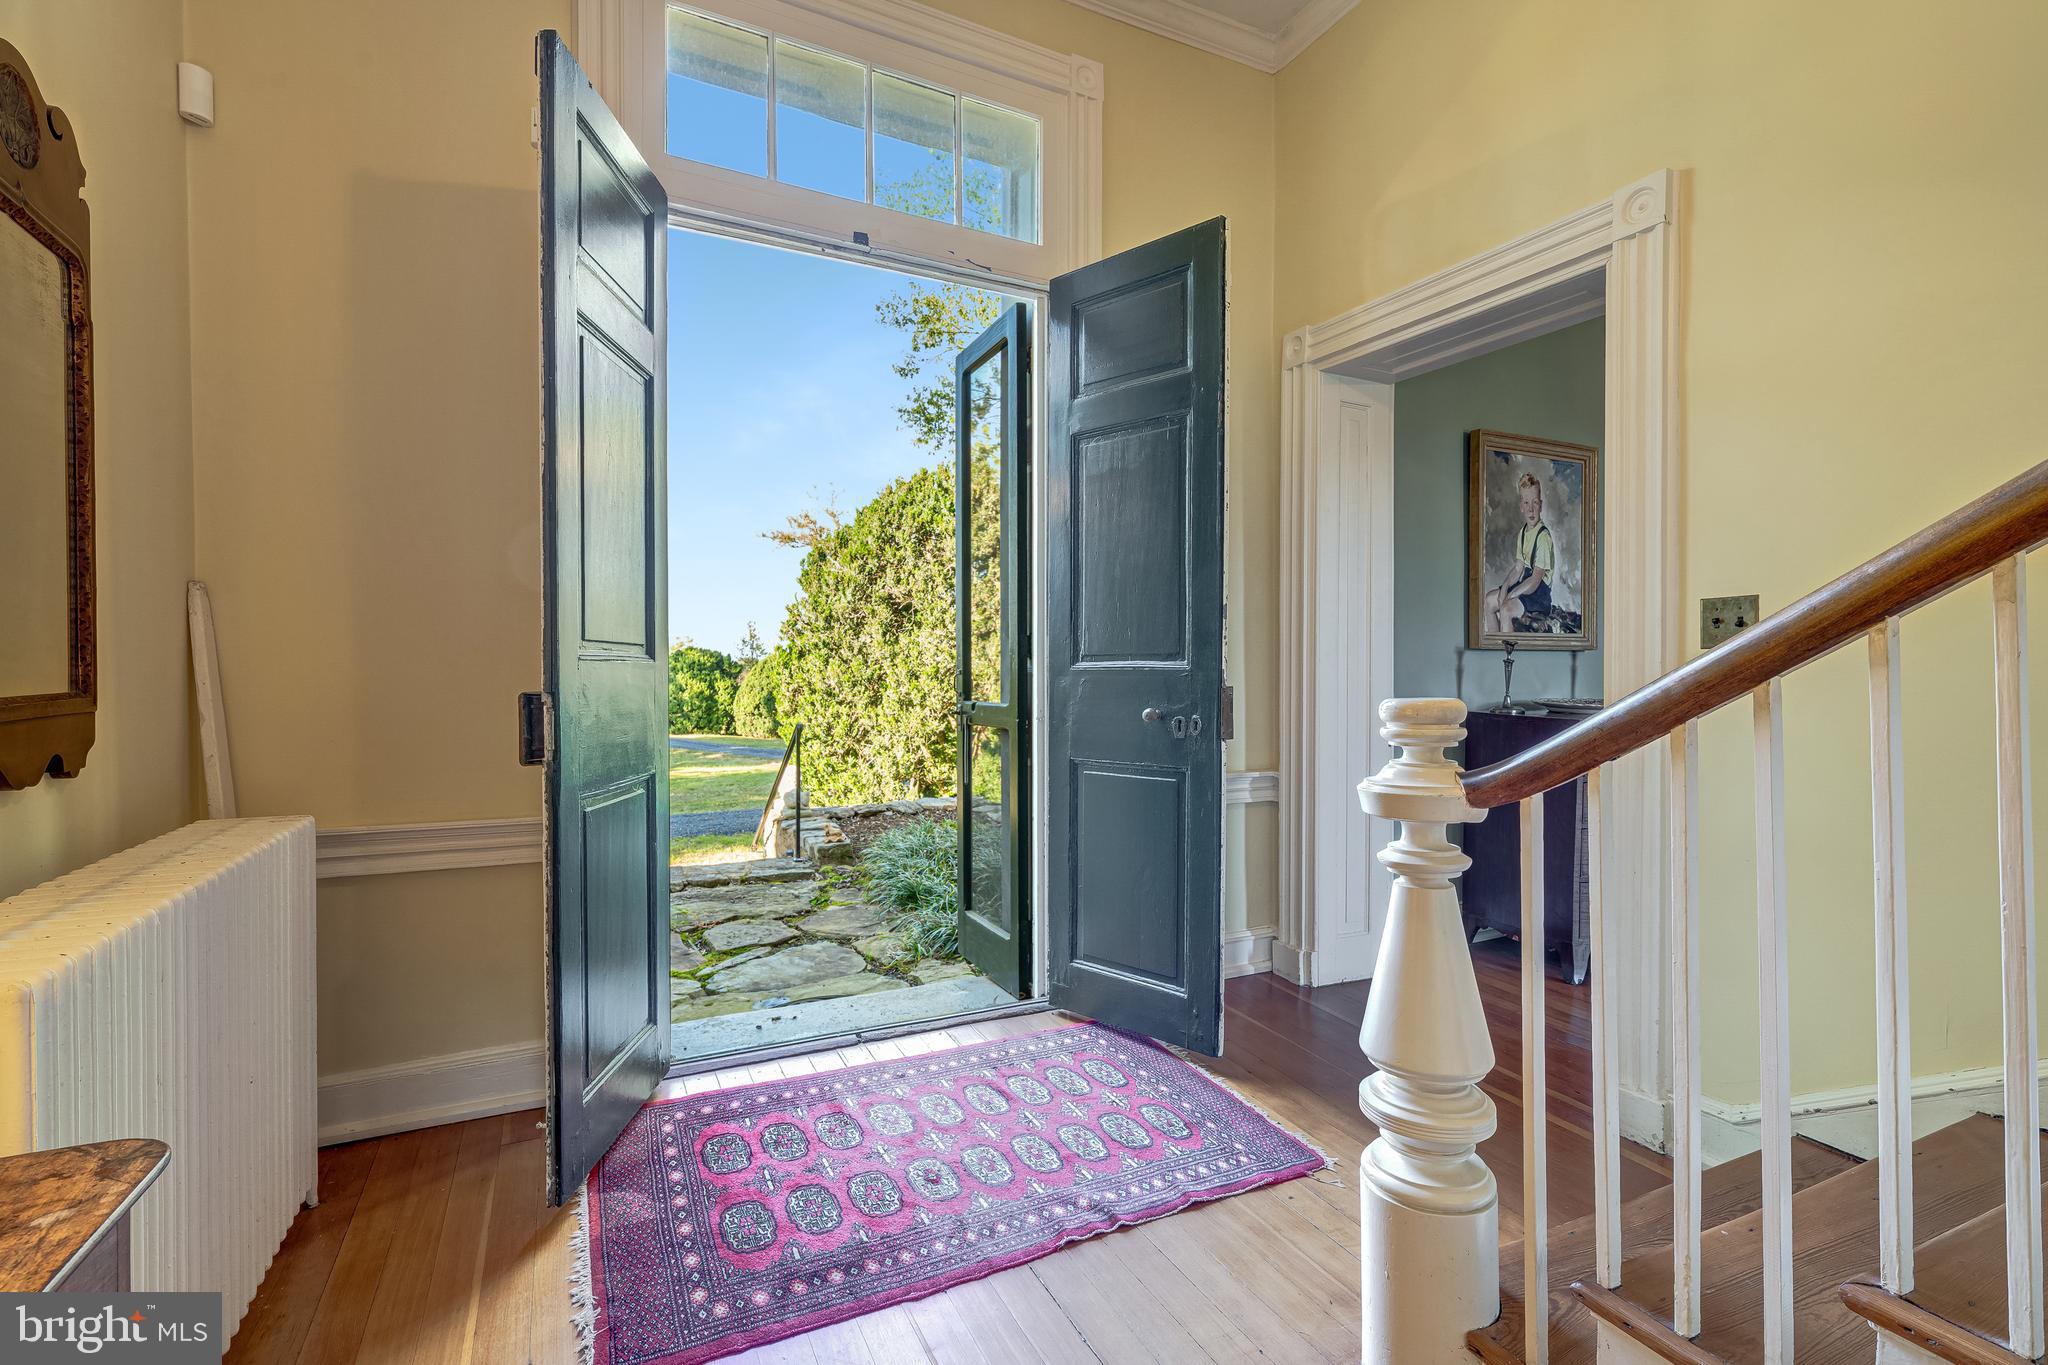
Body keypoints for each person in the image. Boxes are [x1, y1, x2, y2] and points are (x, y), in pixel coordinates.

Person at [1484, 471, 1553, 634]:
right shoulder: (1523, 533)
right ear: (1521, 506)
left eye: (1535, 503)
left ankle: (1508, 650)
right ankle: (1496, 647)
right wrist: (1505, 588)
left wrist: (1511, 595)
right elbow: (1518, 569)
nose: (1531, 509)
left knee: (1506, 608)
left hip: (1538, 596)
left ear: (1541, 506)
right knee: (1489, 601)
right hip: (1524, 586)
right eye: (1527, 503)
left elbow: (1536, 579)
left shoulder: (1543, 537)